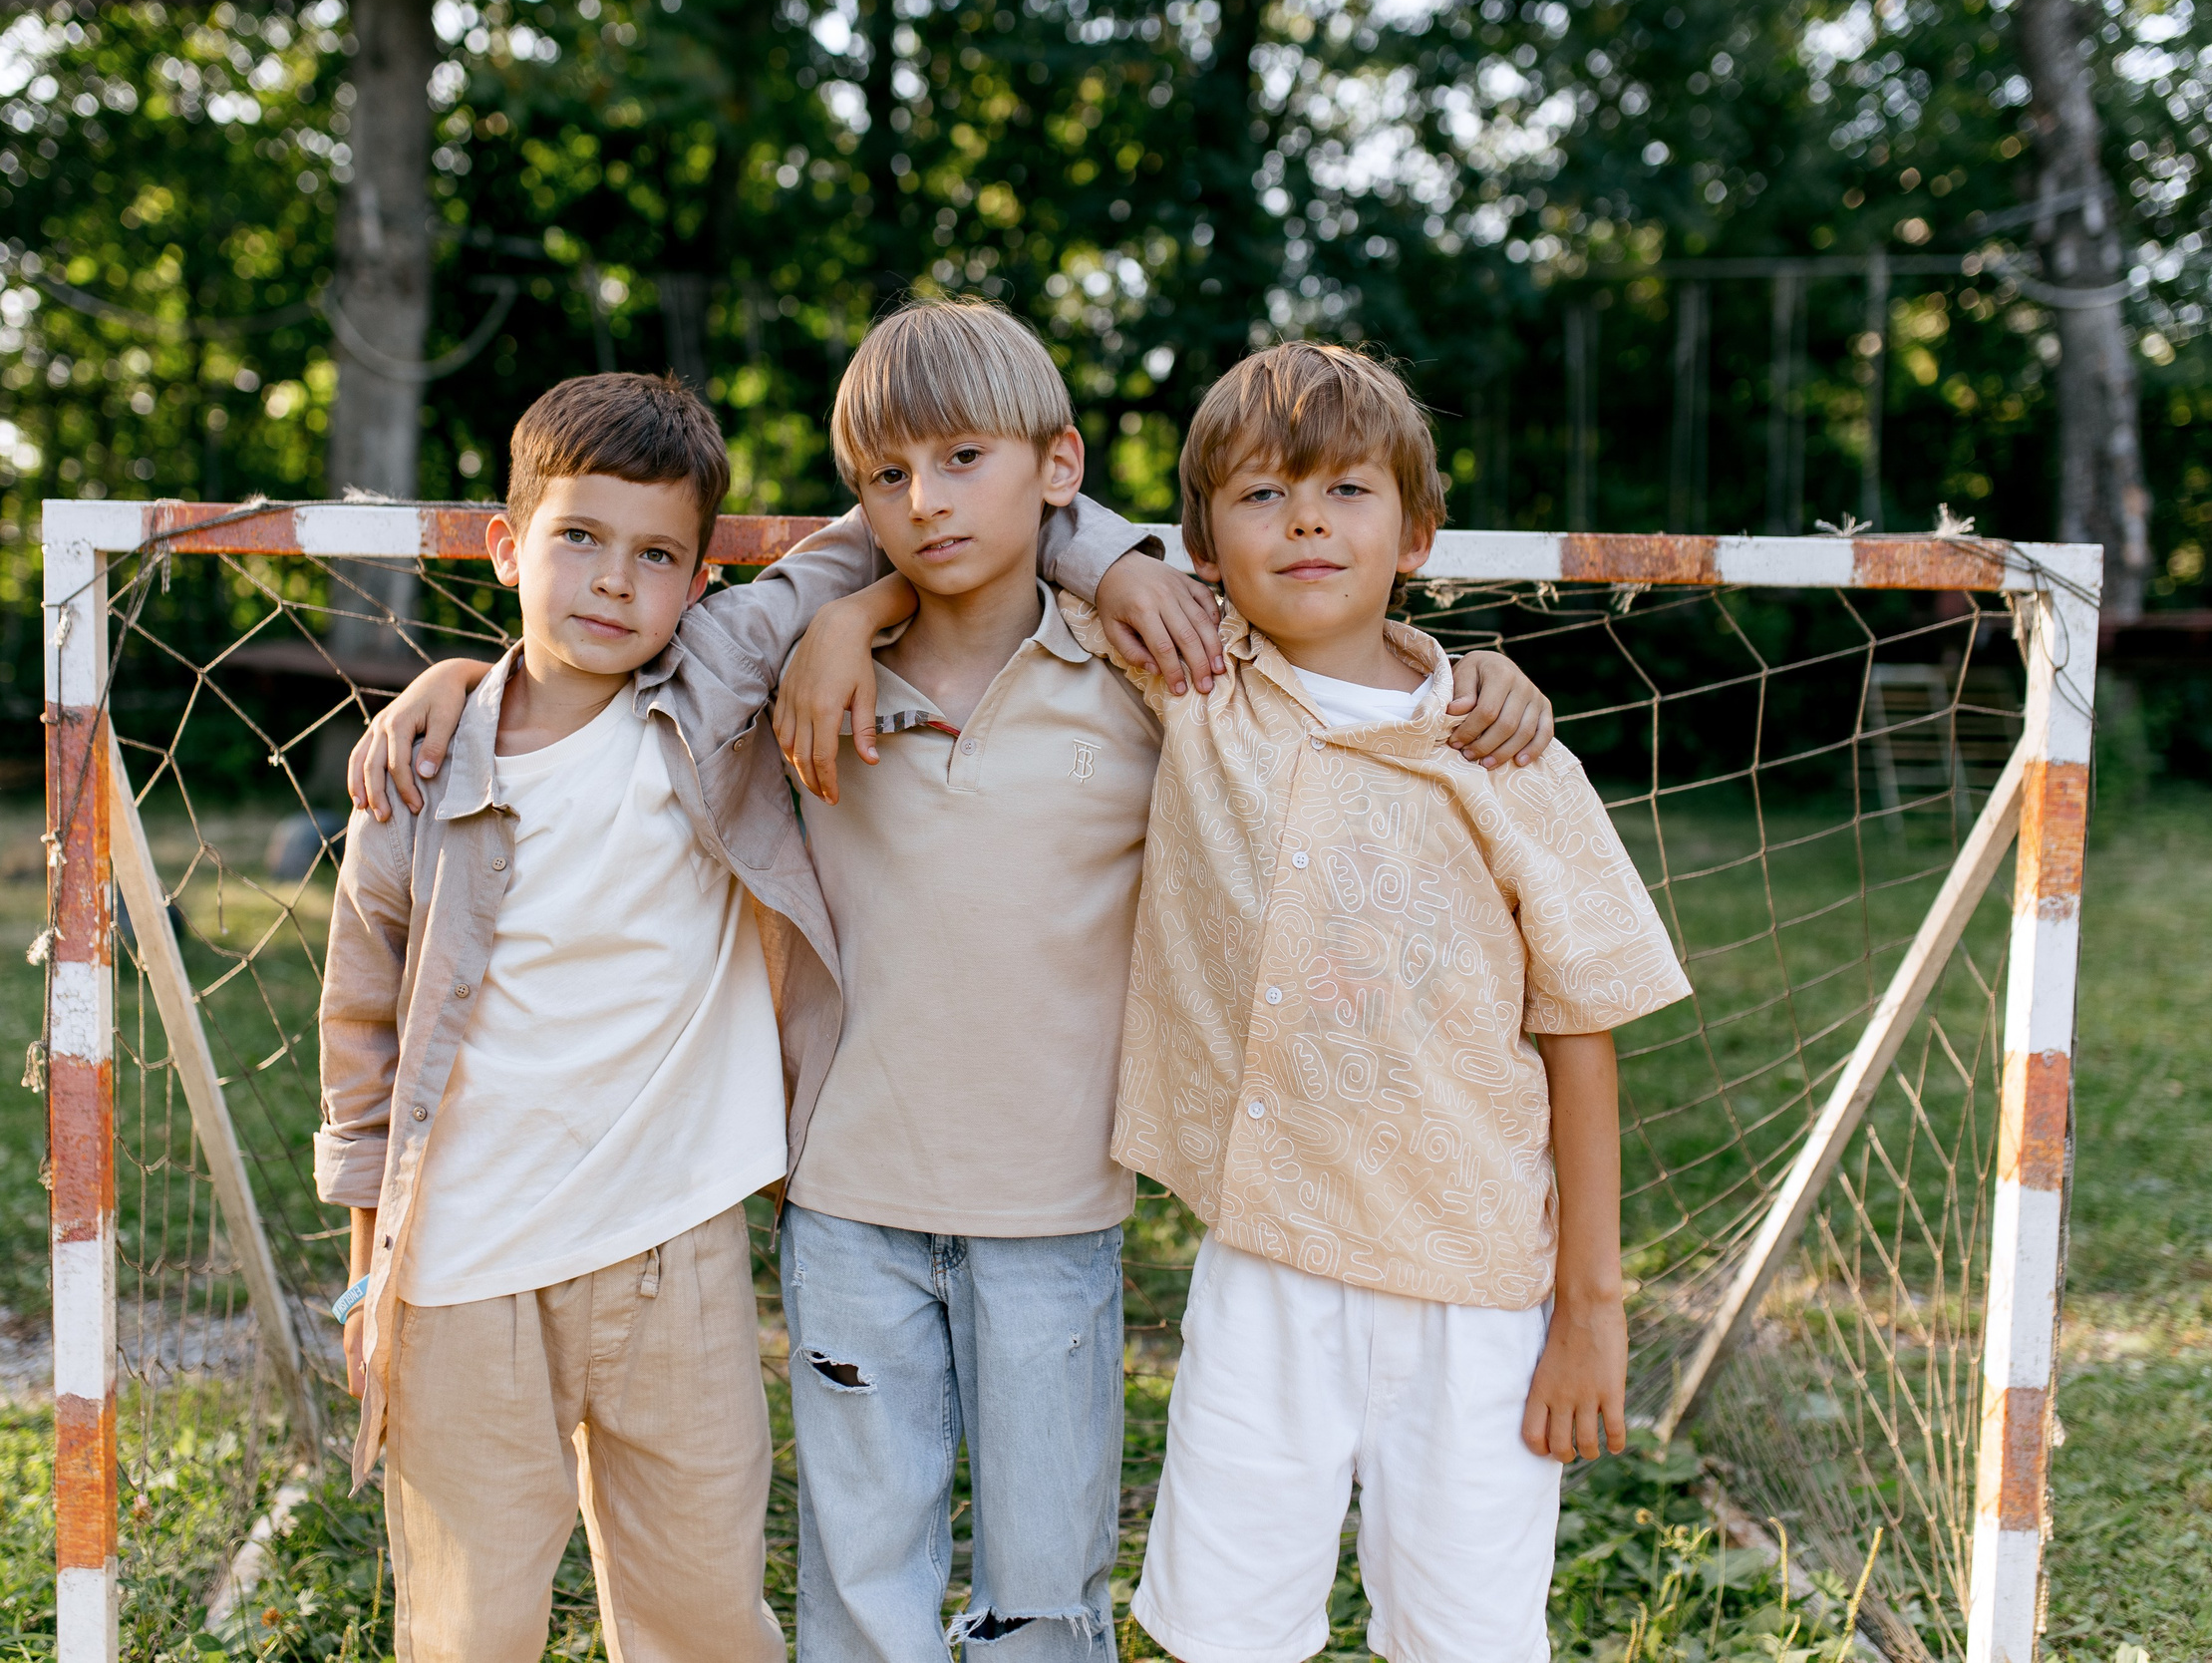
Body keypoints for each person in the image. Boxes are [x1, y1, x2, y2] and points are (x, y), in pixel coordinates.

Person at [348, 302, 1557, 1663]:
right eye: (887, 478)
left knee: (1043, 1591)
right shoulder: (790, 678)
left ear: (1055, 466)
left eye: (966, 460)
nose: (926, 502)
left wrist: (1478, 678)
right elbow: (645, 650)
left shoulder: (1150, 663)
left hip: (1056, 1214)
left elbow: (1326, 663)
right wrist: (824, 616)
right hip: (849, 1205)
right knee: (863, 1578)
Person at [311, 368, 1188, 1663]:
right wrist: (363, 1280)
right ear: (506, 548)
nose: (614, 582)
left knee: (702, 1615)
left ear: (700, 582)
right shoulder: (427, 775)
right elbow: (362, 1049)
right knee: (469, 1622)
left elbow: (905, 532)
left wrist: (1075, 572)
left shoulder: (712, 689)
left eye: (655, 554)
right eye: (578, 541)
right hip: (461, 1276)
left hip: (676, 1253)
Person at [1071, 341, 1692, 1662]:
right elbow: (1014, 531)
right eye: (1260, 495)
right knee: (1225, 1632)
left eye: (1346, 490)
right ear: (1201, 540)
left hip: (1477, 1292)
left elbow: (1583, 1033)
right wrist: (1115, 565)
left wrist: (1591, 1310)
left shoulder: (1503, 751)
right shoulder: (1190, 685)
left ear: (1418, 532)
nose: (1304, 518)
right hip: (1268, 1262)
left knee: (1466, 1639)